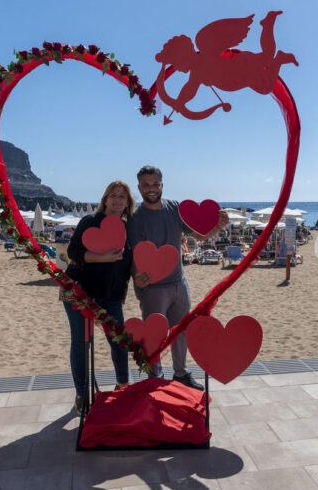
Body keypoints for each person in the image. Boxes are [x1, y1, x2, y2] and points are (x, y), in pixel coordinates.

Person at [128, 165, 229, 390]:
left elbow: (199, 235)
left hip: (178, 282)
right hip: (152, 288)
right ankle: (155, 378)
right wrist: (135, 276)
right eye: (146, 185)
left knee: (181, 332)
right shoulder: (136, 218)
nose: (151, 189)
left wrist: (218, 227)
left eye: (155, 184)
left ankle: (181, 374)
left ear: (162, 184)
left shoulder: (175, 208)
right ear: (139, 188)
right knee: (154, 335)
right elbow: (134, 253)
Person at [63, 181, 135, 411]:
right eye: (112, 195)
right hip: (78, 289)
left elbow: (130, 263)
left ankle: (122, 385)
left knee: (119, 341)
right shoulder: (89, 222)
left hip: (110, 294)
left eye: (122, 196)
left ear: (127, 202)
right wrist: (102, 257)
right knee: (81, 343)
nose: (116, 200)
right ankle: (82, 395)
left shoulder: (128, 228)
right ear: (104, 199)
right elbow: (73, 253)